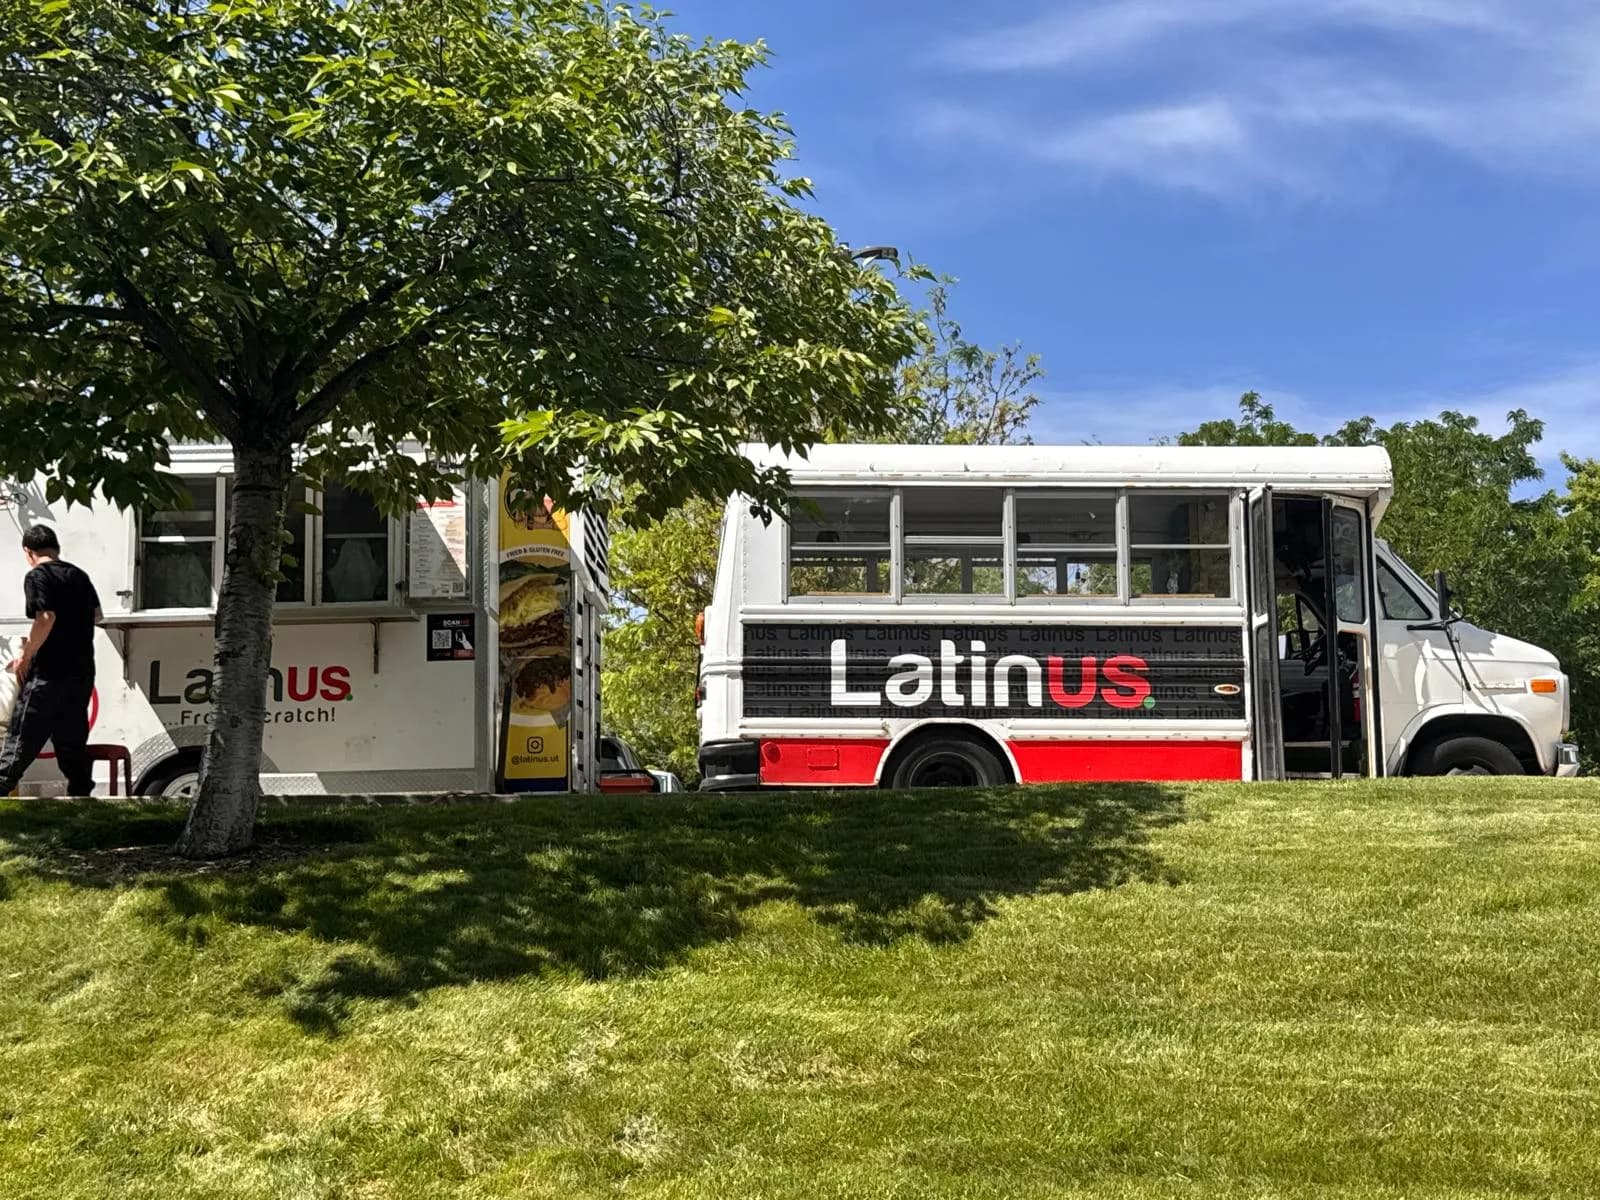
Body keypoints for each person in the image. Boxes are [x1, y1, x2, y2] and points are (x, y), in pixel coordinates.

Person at [0, 525, 101, 797]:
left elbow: (46, 618)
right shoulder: (79, 576)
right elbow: (97, 615)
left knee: (23, 736)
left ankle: (0, 790)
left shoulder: (37, 576)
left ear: (28, 552)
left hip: (49, 671)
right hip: (81, 672)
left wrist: (27, 654)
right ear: (56, 549)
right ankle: (81, 795)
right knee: (71, 739)